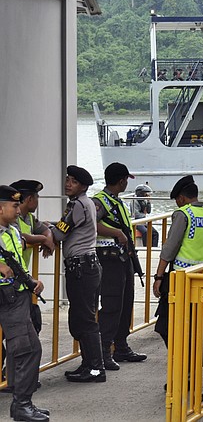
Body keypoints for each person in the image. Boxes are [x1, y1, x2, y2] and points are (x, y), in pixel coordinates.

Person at [50, 166, 105, 384]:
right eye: (67, 179)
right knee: (82, 317)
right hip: (85, 267)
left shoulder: (78, 205)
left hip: (82, 268)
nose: (67, 183)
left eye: (73, 181)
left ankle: (95, 368)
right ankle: (88, 363)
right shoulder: (85, 203)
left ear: (82, 186)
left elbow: (60, 233)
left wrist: (44, 233)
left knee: (85, 319)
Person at [0, 186, 49, 421]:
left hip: (18, 296)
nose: (19, 210)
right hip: (7, 299)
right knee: (25, 350)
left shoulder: (11, 231)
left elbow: (17, 262)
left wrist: (31, 281)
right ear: (0, 208)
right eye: (14, 206)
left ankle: (23, 403)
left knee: (31, 349)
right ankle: (21, 406)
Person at [153, 175, 203, 348]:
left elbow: (169, 248)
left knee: (166, 326)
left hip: (182, 280)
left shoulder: (184, 214)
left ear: (181, 198)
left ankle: (186, 368)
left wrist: (159, 277)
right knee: (202, 328)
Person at [93, 162, 147, 371]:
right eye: (125, 179)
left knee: (126, 303)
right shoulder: (100, 201)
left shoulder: (115, 200)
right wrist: (115, 233)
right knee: (112, 304)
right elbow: (92, 223)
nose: (126, 183)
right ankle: (105, 350)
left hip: (123, 258)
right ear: (121, 180)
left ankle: (121, 346)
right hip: (109, 258)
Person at [9, 180, 55, 281]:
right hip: (8, 271)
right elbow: (19, 236)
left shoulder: (30, 218)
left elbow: (45, 230)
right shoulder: (11, 216)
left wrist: (48, 239)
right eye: (37, 198)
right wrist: (43, 239)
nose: (37, 202)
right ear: (30, 199)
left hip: (20, 270)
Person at [131, 183, 159, 248]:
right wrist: (144, 214)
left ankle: (154, 249)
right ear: (140, 193)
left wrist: (148, 202)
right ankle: (146, 249)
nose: (146, 195)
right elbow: (136, 214)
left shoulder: (143, 201)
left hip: (144, 221)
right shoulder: (134, 201)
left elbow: (148, 211)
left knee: (155, 233)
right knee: (145, 232)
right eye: (145, 193)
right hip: (137, 222)